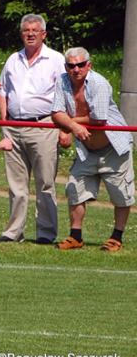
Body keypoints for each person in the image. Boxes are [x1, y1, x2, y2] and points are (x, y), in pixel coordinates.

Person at [0, 14, 68, 245]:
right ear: (21, 34)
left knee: (45, 182)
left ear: (44, 34)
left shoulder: (56, 59)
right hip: (13, 126)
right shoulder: (13, 60)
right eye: (26, 30)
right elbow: (2, 90)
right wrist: (5, 119)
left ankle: (46, 233)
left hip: (44, 125)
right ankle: (13, 232)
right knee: (16, 184)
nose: (30, 34)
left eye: (35, 30)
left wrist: (66, 129)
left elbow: (65, 94)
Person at [51, 47, 133, 252]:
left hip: (113, 147)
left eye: (80, 65)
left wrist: (70, 124)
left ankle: (116, 236)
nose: (76, 69)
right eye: (71, 65)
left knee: (120, 193)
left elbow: (98, 119)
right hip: (86, 150)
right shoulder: (62, 81)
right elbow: (55, 113)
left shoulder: (99, 83)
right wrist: (71, 126)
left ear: (89, 65)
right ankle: (75, 236)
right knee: (74, 189)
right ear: (66, 67)